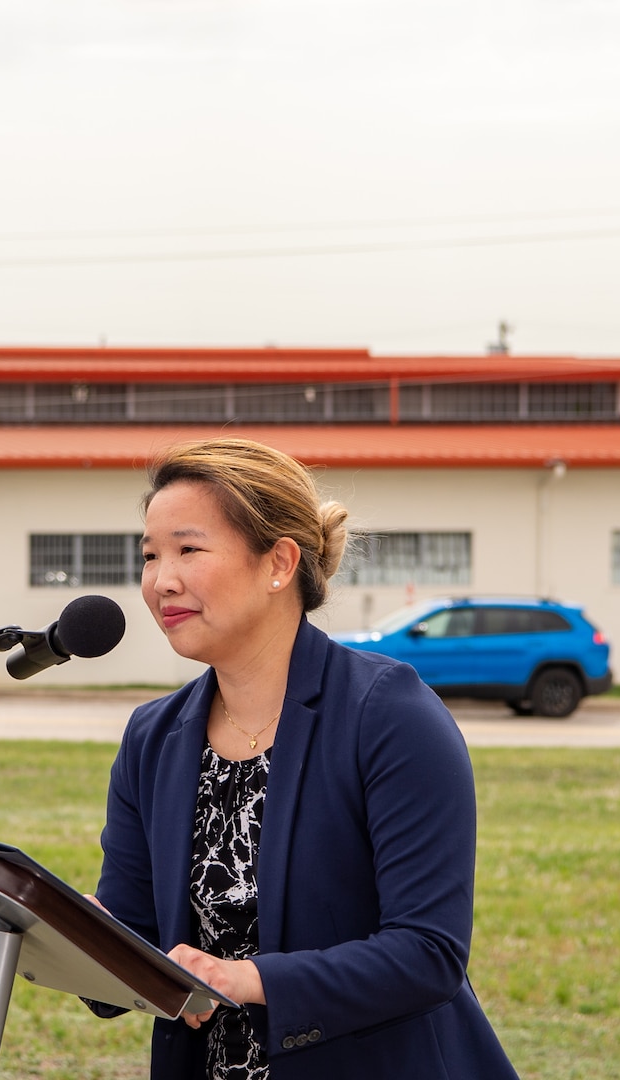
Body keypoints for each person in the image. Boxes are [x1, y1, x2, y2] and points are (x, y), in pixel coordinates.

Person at [92, 437, 517, 1079]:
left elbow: (428, 952)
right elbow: (126, 953)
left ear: (279, 563)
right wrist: (47, 921)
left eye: (187, 549)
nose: (160, 580)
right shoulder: (153, 737)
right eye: (149, 555)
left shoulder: (388, 714)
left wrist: (249, 978)